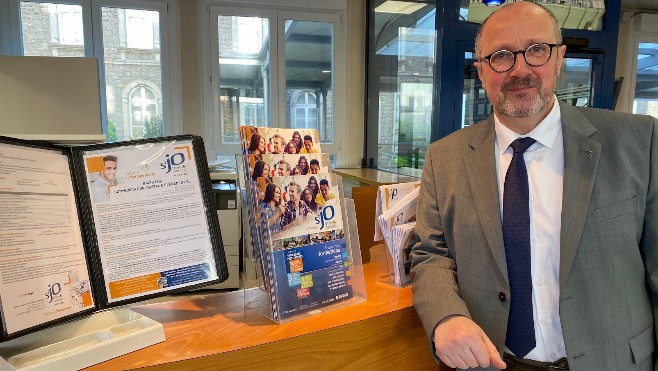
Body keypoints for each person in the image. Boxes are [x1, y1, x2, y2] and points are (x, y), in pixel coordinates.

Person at [410, 2, 658, 371]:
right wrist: (445, 316)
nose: (520, 69)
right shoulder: (443, 157)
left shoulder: (638, 141)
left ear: (559, 59)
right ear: (480, 72)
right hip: (496, 361)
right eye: (501, 56)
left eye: (536, 50)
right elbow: (430, 253)